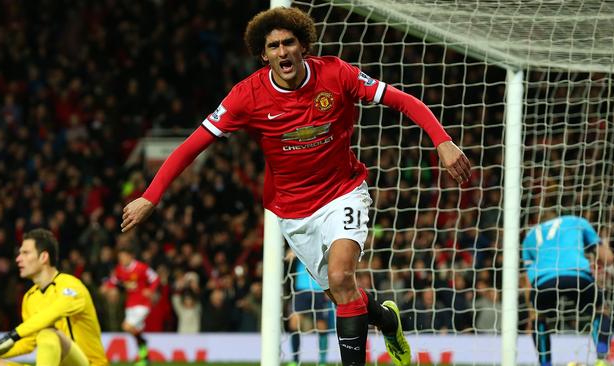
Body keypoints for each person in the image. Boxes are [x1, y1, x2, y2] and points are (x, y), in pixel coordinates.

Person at [120, 7, 471, 365]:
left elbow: (402, 100)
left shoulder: (336, 73)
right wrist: (151, 195)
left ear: (303, 45)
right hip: (293, 211)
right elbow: (192, 145)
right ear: (263, 53)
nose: (282, 51)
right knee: (341, 291)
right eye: (273, 46)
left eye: (289, 42)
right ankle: (387, 319)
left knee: (340, 275)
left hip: (343, 191)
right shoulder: (247, 96)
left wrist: (442, 140)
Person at [0, 228, 108, 366]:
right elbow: (28, 342)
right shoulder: (29, 297)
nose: (18, 258)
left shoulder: (71, 286)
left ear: (44, 257)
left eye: (25, 253)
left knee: (50, 333)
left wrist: (13, 335)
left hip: (89, 364)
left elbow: (51, 314)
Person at [522, 211, 614, 366]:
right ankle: (601, 358)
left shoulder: (530, 236)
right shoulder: (576, 221)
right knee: (600, 309)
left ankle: (545, 363)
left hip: (544, 282)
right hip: (577, 274)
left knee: (538, 317)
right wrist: (601, 244)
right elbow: (608, 259)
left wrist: (531, 310)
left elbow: (527, 281)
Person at [101, 245, 158, 366]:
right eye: (120, 258)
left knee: (126, 326)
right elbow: (113, 281)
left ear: (130, 256)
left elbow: (155, 278)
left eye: (123, 257)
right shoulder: (119, 269)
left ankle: (143, 344)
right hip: (130, 304)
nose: (121, 260)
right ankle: (144, 358)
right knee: (136, 331)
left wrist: (151, 290)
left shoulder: (141, 267)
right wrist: (107, 287)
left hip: (142, 304)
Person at [286, 251, 331, 366]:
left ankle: (322, 361)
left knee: (321, 325)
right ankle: (295, 360)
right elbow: (288, 257)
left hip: (319, 289)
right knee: (294, 323)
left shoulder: (320, 243)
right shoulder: (299, 242)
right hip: (301, 290)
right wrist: (291, 254)